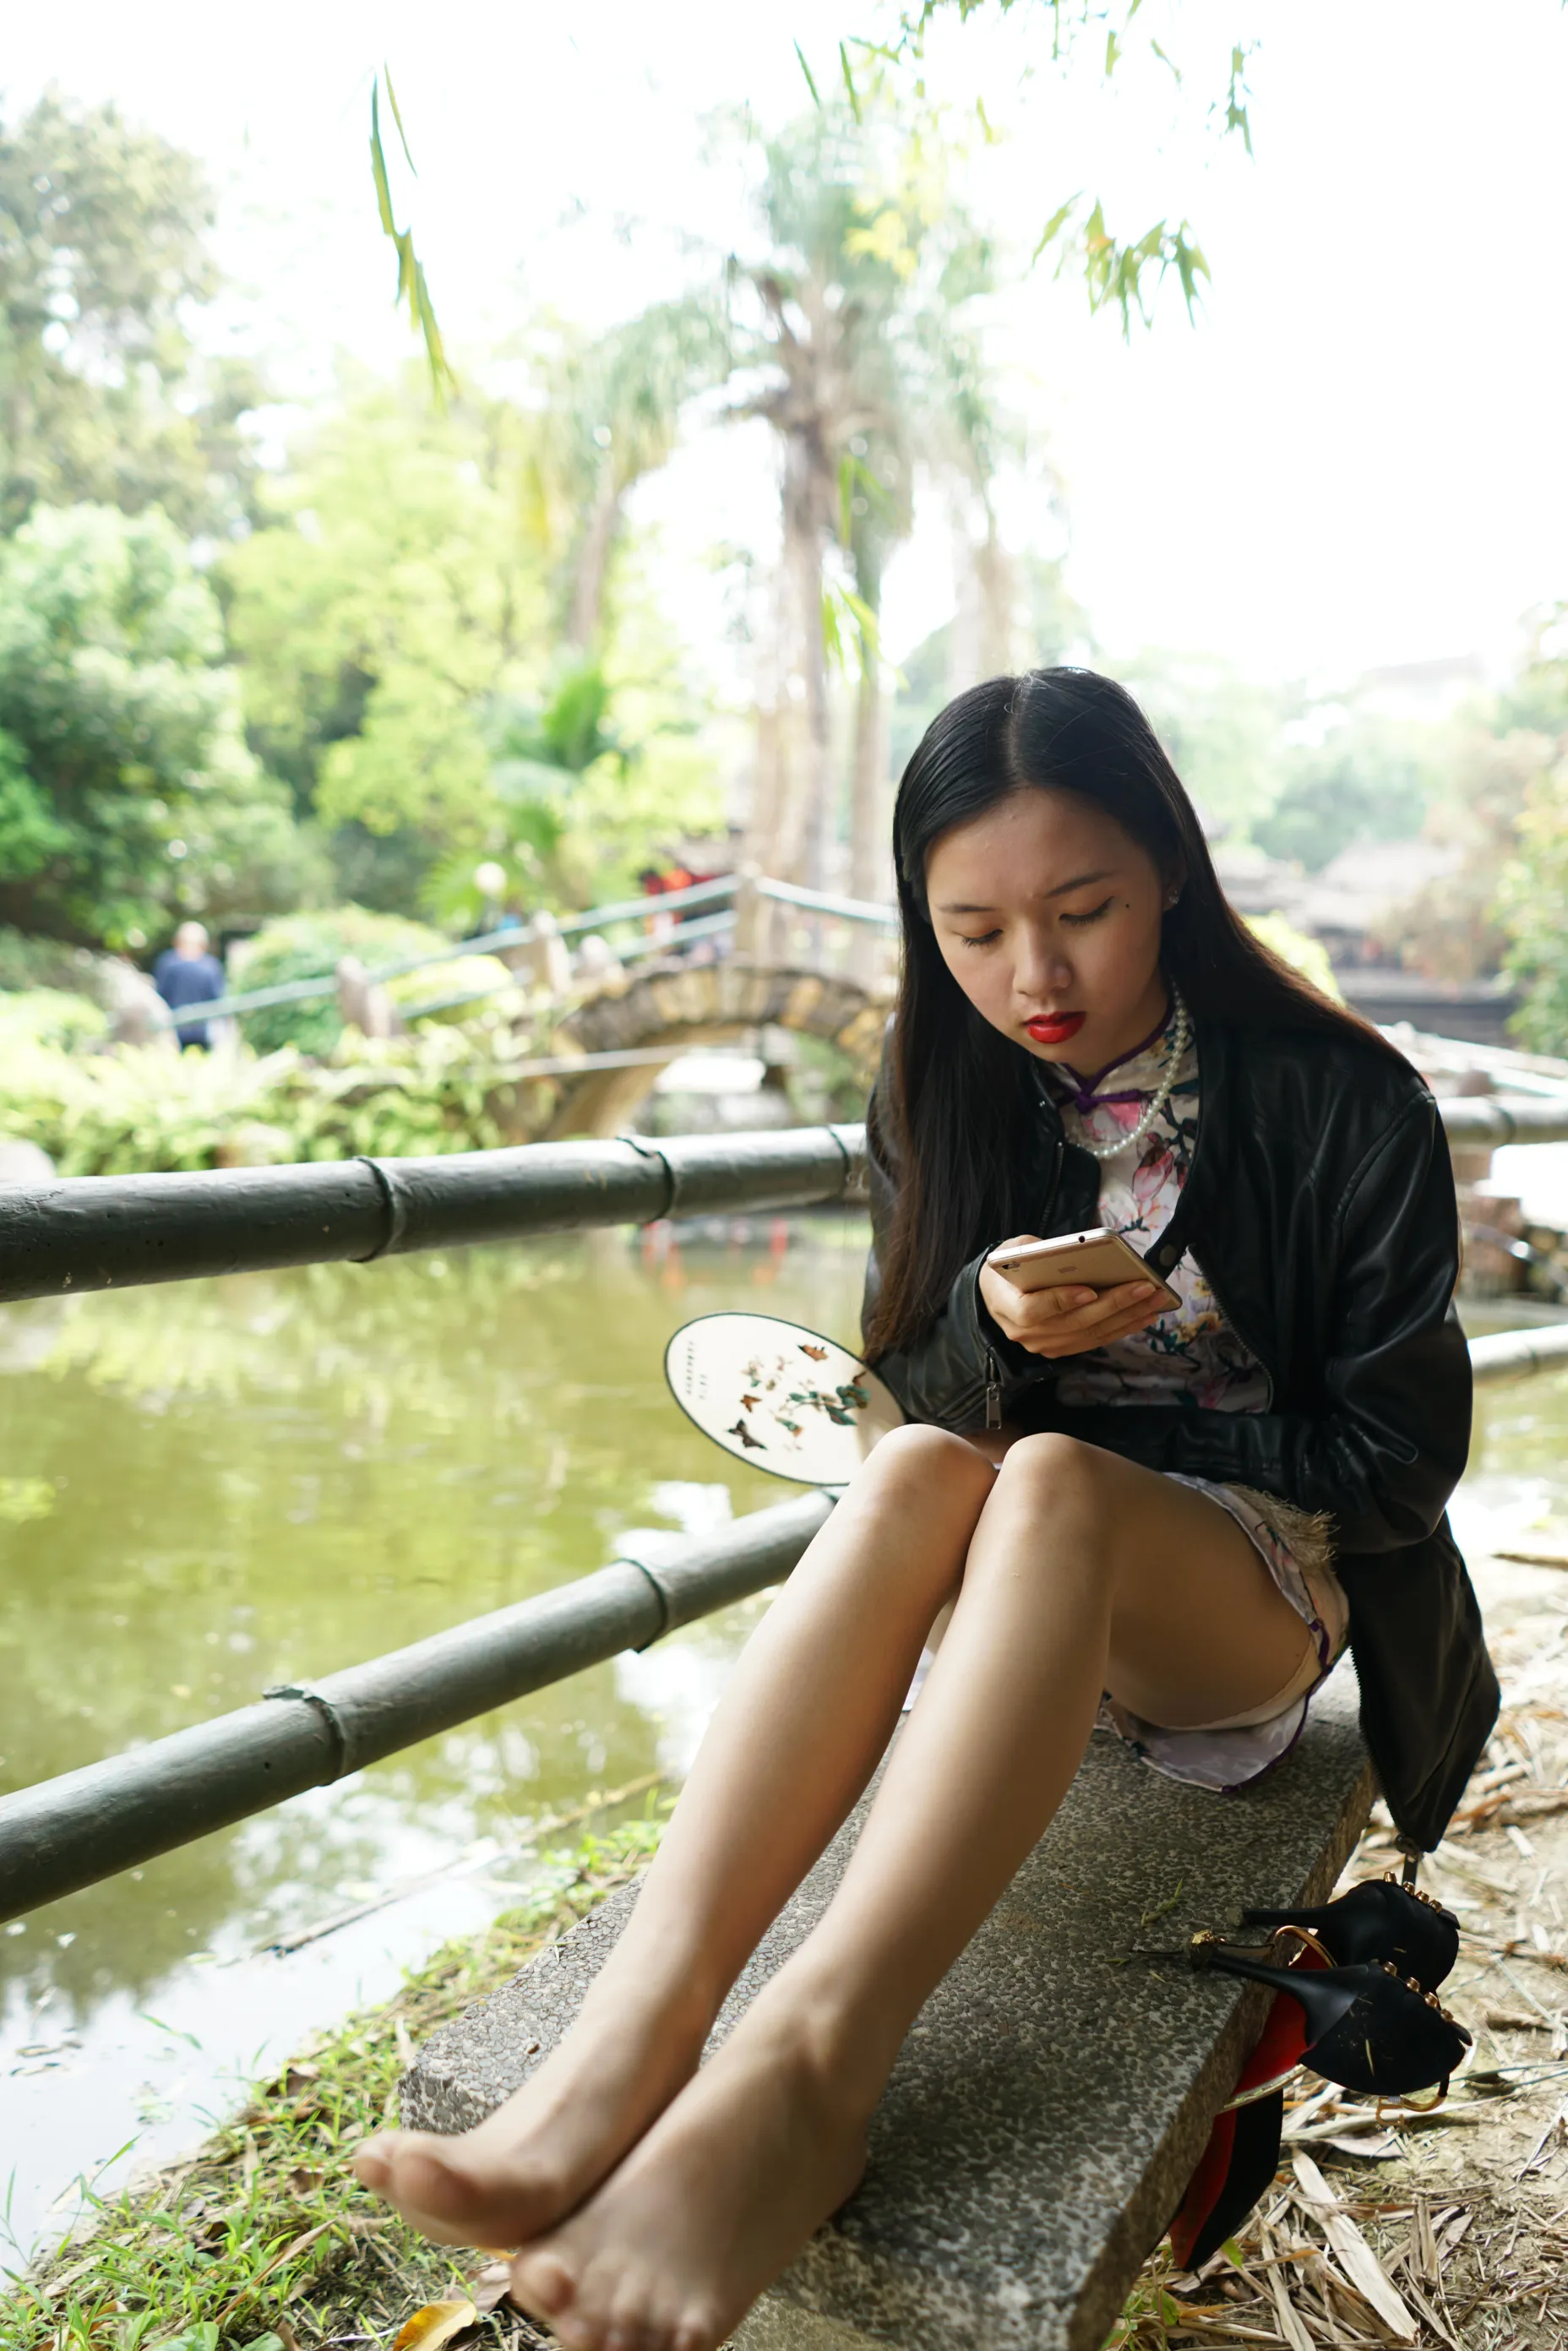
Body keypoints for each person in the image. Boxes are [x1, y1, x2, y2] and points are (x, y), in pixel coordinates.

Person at [353, 668, 1497, 2351]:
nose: (1029, 976)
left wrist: (1137, 1417)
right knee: (913, 1467)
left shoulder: (1343, 1098)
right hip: (1018, 1575)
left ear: (1169, 869)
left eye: (1081, 908)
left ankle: (811, 2069)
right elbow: (903, 1400)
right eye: (970, 928)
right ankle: (621, 2051)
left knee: (1044, 1480)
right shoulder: (943, 1082)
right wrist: (983, 1313)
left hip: (1251, 1598)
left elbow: (1398, 1465)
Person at [151, 921, 226, 1050]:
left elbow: (159, 995)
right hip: (201, 1030)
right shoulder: (211, 966)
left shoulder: (167, 963)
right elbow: (217, 1000)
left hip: (172, 1030)